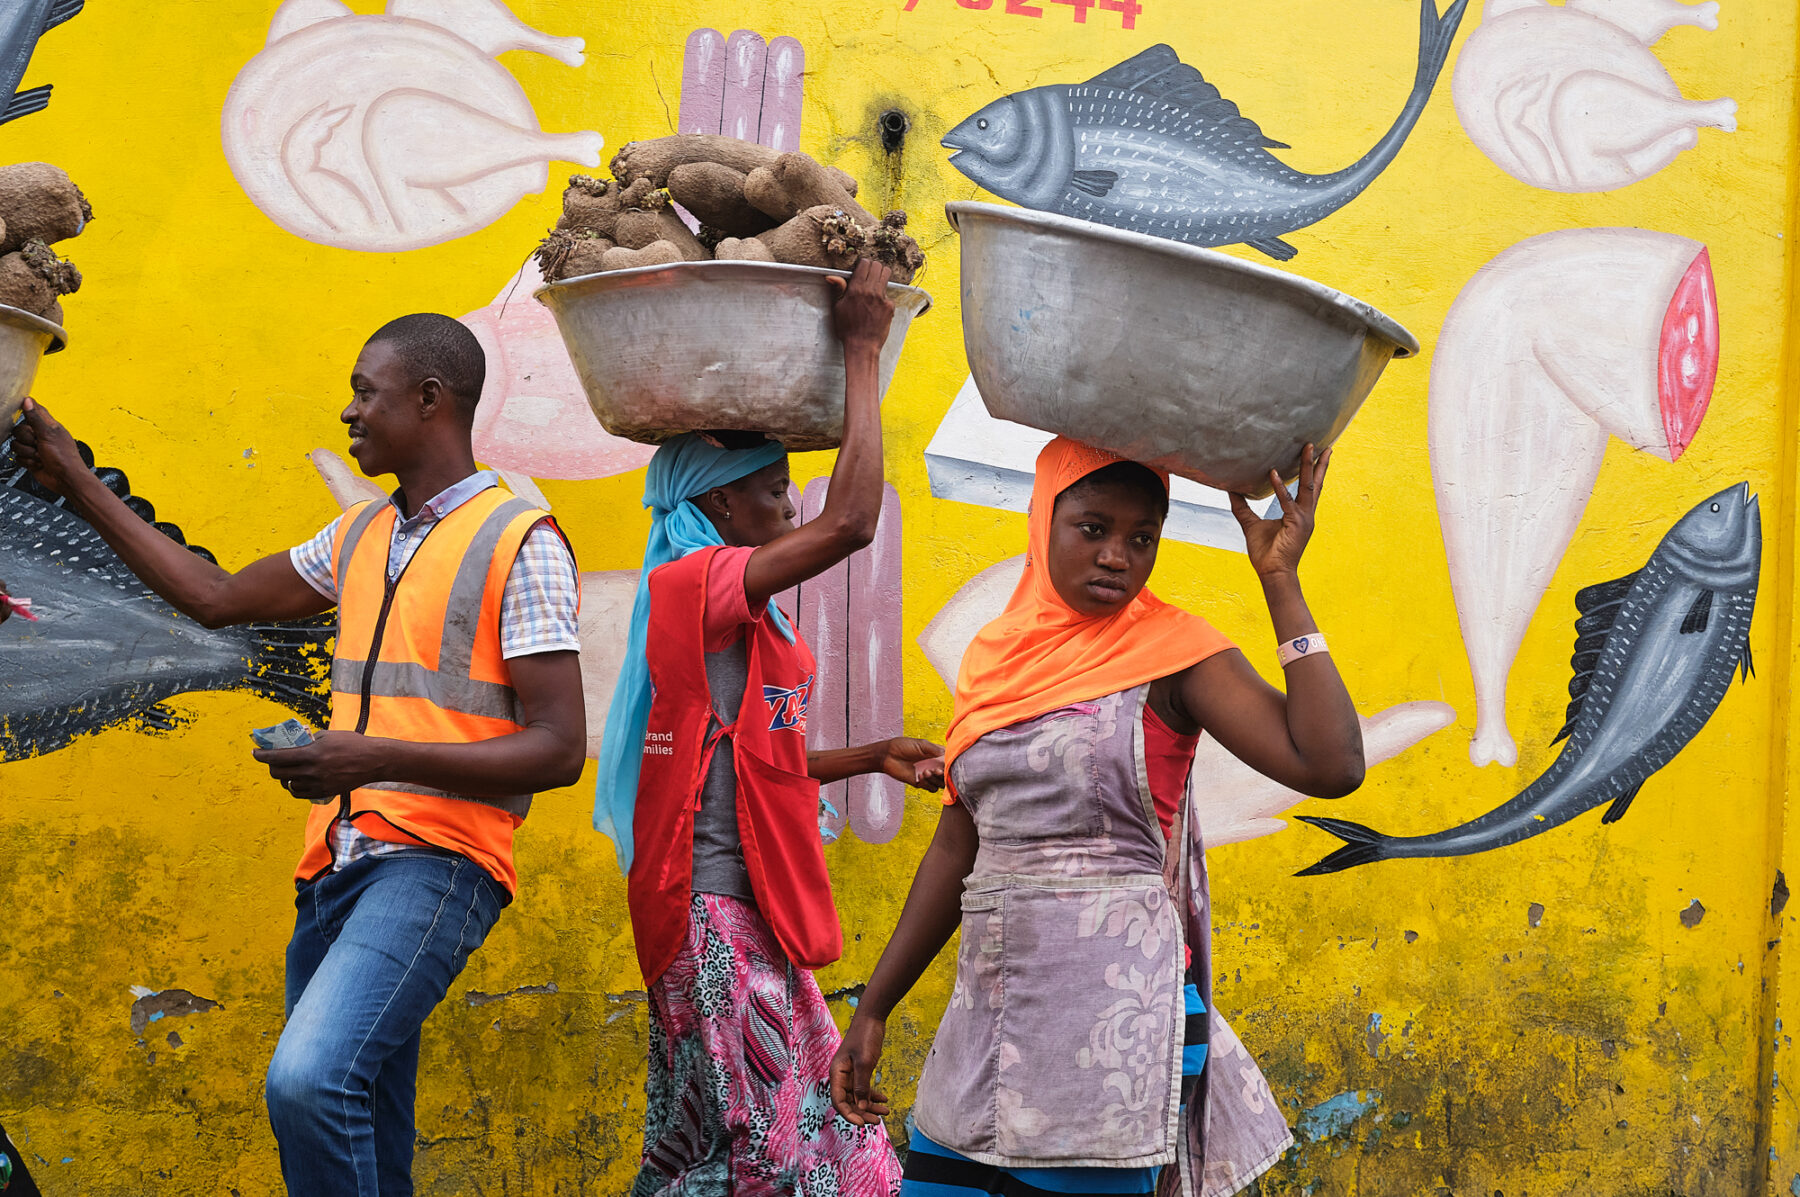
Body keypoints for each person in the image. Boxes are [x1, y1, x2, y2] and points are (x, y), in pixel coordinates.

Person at [11, 314, 586, 1196]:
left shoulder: (521, 541)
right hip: (334, 870)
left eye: (366, 390)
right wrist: (76, 479)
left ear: (429, 400)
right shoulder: (359, 537)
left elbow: (558, 749)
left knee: (310, 1081)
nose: (348, 411)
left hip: (437, 865)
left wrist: (367, 759)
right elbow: (214, 596)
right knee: (365, 1115)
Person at [829, 437, 1366, 1195]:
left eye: (1141, 537)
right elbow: (957, 849)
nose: (1118, 554)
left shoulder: (1177, 656)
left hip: (1109, 1025)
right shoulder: (993, 660)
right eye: (1093, 527)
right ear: (1043, 519)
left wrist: (1279, 577)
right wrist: (875, 1007)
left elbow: (1332, 763)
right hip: (986, 1017)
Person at [597, 259, 940, 1197]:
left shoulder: (752, 621)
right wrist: (862, 349)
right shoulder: (690, 586)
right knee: (774, 1154)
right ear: (717, 505)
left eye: (790, 490)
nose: (792, 508)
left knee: (814, 1141)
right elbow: (853, 522)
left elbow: (762, 765)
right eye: (776, 491)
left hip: (761, 916)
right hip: (711, 918)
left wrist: (871, 755)